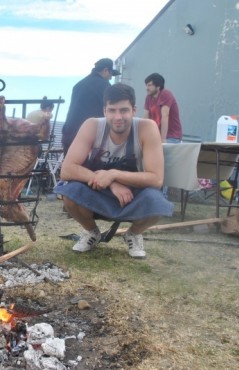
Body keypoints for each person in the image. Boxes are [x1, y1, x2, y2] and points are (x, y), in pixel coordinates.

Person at [54, 83, 173, 259]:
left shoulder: (147, 128)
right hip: (98, 190)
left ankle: (133, 233)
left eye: (124, 110)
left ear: (134, 110)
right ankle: (92, 232)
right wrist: (112, 183)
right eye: (112, 110)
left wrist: (114, 174)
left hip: (133, 195)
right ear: (104, 111)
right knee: (69, 193)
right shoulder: (92, 126)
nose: (118, 117)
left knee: (158, 204)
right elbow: (67, 169)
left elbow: (156, 179)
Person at [61, 58, 120, 155]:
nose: (110, 78)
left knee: (70, 168)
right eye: (111, 74)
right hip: (88, 138)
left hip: (68, 135)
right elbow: (113, 111)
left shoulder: (78, 85)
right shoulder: (105, 86)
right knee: (89, 170)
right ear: (105, 70)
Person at [143, 73, 182, 143]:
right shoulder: (148, 98)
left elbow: (165, 116)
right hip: (156, 136)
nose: (147, 88)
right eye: (146, 85)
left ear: (158, 87)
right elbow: (145, 118)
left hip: (171, 137)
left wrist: (163, 140)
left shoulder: (165, 94)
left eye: (149, 85)